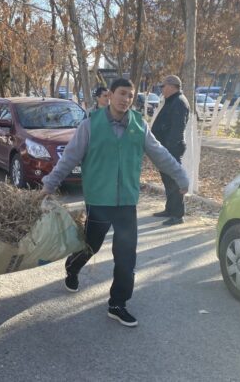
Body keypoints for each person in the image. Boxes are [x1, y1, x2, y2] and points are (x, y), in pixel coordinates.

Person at [41, 78, 188, 328]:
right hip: (99, 200)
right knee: (91, 245)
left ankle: (118, 304)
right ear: (110, 94)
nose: (126, 99)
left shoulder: (139, 125)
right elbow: (69, 158)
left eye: (130, 95)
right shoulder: (90, 125)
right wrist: (49, 184)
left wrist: (180, 176)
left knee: (126, 256)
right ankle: (72, 267)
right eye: (122, 93)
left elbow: (160, 154)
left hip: (127, 201)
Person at [150, 75, 190, 226]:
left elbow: (177, 129)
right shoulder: (172, 101)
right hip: (165, 148)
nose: (161, 89)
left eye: (163, 86)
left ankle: (178, 214)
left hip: (171, 148)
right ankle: (170, 209)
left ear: (172, 86)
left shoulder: (179, 102)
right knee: (168, 181)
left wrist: (168, 148)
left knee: (174, 181)